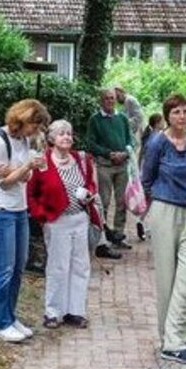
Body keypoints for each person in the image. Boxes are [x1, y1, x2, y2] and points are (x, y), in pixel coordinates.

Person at [141, 95, 186, 363]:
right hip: (165, 210)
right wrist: (157, 203)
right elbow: (147, 178)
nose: (182, 116)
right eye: (176, 112)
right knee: (167, 277)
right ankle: (169, 340)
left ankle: (177, 339)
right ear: (167, 115)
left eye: (185, 112)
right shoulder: (157, 143)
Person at [0, 99, 47, 342]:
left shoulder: (24, 140)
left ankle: (10, 316)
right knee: (5, 268)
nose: (35, 131)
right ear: (22, 120)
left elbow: (24, 177)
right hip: (2, 209)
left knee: (19, 266)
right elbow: (4, 182)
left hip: (20, 209)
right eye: (34, 125)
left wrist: (18, 169)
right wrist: (23, 168)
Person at [27, 120, 100, 329]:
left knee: (80, 266)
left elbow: (90, 183)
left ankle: (75, 311)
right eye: (61, 134)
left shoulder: (81, 159)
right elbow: (31, 193)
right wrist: (41, 215)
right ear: (51, 138)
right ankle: (53, 312)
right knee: (57, 267)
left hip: (80, 218)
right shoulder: (42, 161)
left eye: (69, 133)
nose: (66, 137)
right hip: (56, 221)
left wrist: (89, 194)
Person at [82, 87, 135, 254]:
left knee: (122, 202)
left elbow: (130, 140)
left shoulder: (122, 118)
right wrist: (108, 154)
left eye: (112, 98)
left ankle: (118, 235)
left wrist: (125, 153)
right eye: (106, 98)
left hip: (122, 165)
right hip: (104, 165)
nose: (110, 101)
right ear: (101, 101)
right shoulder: (95, 120)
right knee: (103, 202)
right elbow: (91, 143)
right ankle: (102, 238)